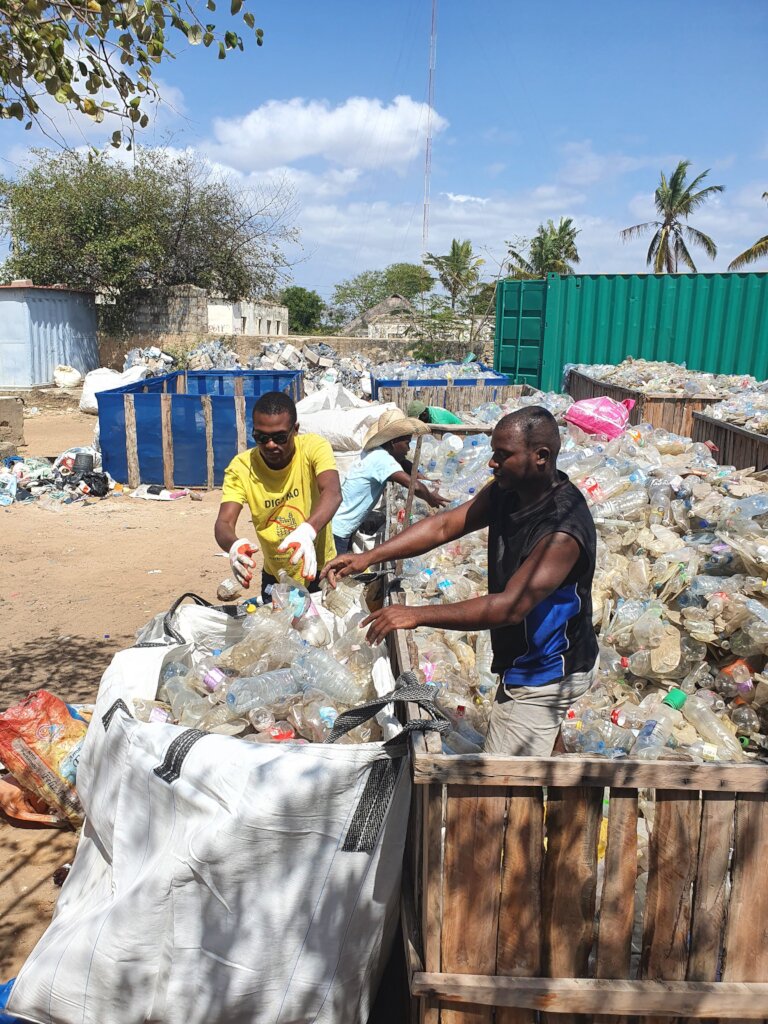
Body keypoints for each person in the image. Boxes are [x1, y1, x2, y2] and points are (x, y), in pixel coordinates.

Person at [321, 406, 598, 757]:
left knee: (500, 779)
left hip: (544, 670)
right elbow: (444, 526)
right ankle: (561, 787)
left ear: (540, 456)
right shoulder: (508, 492)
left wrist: (415, 614)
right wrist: (369, 557)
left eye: (503, 455)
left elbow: (509, 608)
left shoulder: (561, 531)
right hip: (532, 656)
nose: (492, 463)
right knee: (546, 756)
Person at [215, 391, 341, 602]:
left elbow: (333, 492)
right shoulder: (241, 467)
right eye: (261, 438)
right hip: (276, 574)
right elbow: (224, 523)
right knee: (276, 623)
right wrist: (233, 546)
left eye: (280, 437)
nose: (271, 445)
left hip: (319, 568)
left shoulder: (313, 447)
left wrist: (308, 531)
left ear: (295, 430)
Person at [332, 409, 449, 555]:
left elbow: (404, 463)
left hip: (338, 522)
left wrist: (424, 478)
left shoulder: (377, 452)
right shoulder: (381, 459)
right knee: (334, 566)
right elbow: (415, 487)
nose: (408, 449)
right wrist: (431, 499)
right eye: (407, 443)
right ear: (394, 442)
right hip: (339, 530)